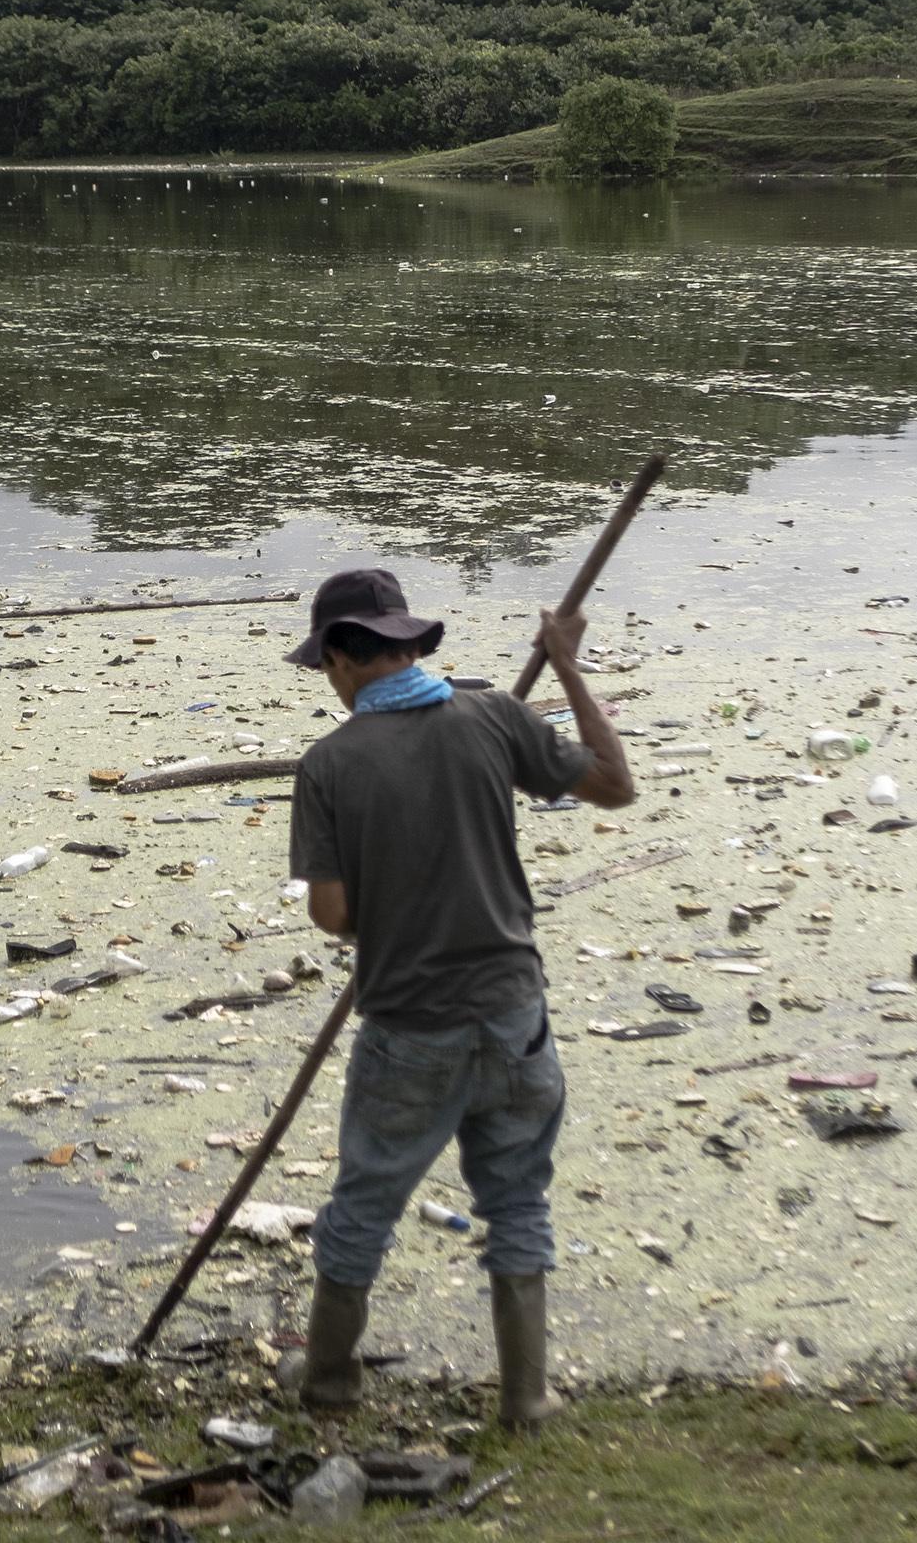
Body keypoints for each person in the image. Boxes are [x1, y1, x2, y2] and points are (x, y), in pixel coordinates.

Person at [278, 566, 634, 1428]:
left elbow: (333, 915)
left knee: (364, 1205)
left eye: (326, 667)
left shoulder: (329, 765)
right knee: (516, 1201)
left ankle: (327, 1385)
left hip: (411, 1027)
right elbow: (615, 785)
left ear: (343, 658)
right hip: (515, 1017)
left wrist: (396, 901)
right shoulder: (495, 718)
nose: (329, 683)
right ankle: (527, 1398)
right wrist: (569, 667)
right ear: (408, 645)